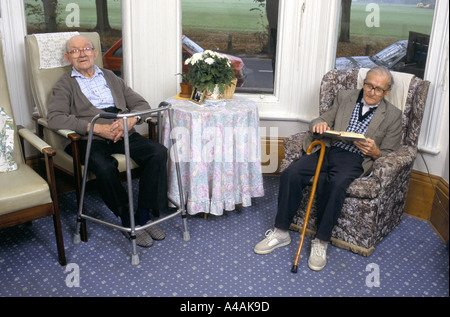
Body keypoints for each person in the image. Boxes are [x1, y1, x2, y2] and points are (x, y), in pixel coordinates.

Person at [254, 66, 402, 271]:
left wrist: (376, 152)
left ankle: (321, 242)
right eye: (369, 85)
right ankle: (281, 232)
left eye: (378, 89)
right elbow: (321, 118)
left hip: (356, 159)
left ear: (387, 92)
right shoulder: (345, 97)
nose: (371, 91)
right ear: (364, 83)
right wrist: (320, 124)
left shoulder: (393, 115)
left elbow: (389, 152)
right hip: (328, 148)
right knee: (291, 173)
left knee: (336, 183)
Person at [47, 35, 167, 247]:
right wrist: (96, 128)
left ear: (94, 53)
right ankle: (127, 218)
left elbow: (140, 103)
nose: (82, 53)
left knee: (157, 152)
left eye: (86, 48)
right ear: (68, 58)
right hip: (88, 137)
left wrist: (130, 120)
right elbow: (55, 117)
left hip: (121, 130)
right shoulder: (64, 84)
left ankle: (143, 214)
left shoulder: (111, 76)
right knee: (104, 166)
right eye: (75, 51)